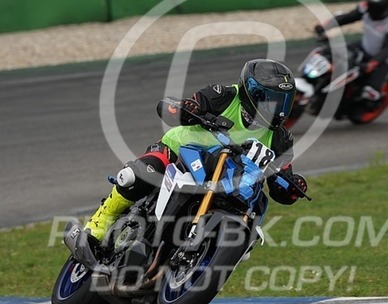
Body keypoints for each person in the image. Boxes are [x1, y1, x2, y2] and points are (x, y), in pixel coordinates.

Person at [85, 58, 309, 242]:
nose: (279, 110)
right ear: (252, 94)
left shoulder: (281, 139)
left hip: (226, 180)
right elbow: (173, 108)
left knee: (250, 220)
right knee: (137, 176)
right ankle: (100, 221)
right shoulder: (223, 95)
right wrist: (186, 109)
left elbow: (281, 181)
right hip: (178, 151)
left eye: (284, 102)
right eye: (271, 101)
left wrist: (292, 186)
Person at [315, 0, 388, 102]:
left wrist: (371, 64)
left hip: (385, 58)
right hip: (365, 46)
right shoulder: (366, 7)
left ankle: (368, 100)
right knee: (329, 53)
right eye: (371, 5)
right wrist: (326, 26)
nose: (372, 9)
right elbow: (348, 17)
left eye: (376, 7)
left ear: (385, 6)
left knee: (369, 93)